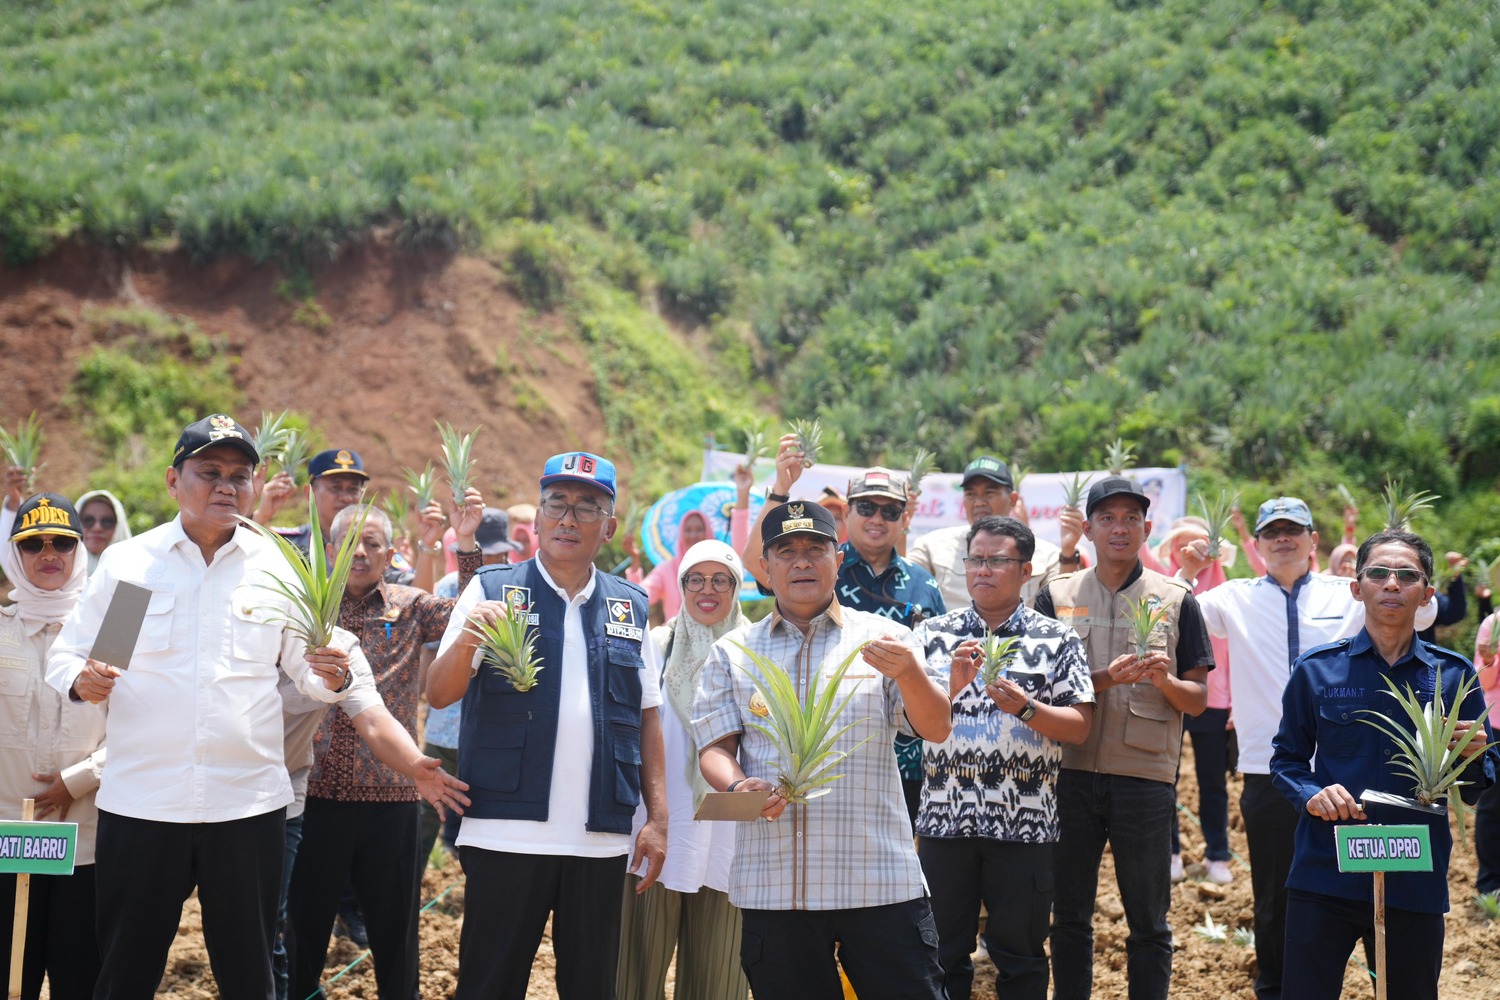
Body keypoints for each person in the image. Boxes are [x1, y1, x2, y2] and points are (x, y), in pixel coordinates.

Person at [45, 414, 463, 1000]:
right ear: (173, 480)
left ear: (255, 484)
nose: (225, 486)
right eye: (208, 472)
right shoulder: (136, 567)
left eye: (239, 475)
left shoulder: (275, 570)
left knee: (251, 975)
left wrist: (330, 675)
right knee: (126, 972)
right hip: (144, 805)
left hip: (246, 809)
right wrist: (83, 680)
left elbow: (310, 675)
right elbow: (82, 658)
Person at [428, 451, 668, 1000]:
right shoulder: (490, 590)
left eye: (587, 508)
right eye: (556, 504)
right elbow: (439, 693)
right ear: (535, 519)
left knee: (590, 988)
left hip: (600, 838)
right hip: (504, 829)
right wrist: (470, 636)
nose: (568, 519)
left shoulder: (629, 607)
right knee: (490, 983)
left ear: (607, 528)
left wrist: (658, 818)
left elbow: (647, 717)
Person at [692, 501, 953, 999]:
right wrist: (736, 785)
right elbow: (715, 747)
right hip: (775, 883)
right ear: (765, 568)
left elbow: (935, 728)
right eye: (786, 551)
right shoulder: (735, 652)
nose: (802, 562)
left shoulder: (886, 639)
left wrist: (910, 673)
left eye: (816, 549)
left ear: (839, 557)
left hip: (877, 880)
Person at [1186, 496, 1438, 1000]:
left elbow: (1421, 616)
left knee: (1379, 897)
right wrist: (1190, 572)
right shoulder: (1233, 597)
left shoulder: (1349, 592)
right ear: (1257, 543)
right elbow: (1178, 616)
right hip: (1271, 770)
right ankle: (1277, 987)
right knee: (1279, 898)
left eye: (1294, 529)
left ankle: (1385, 981)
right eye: (1272, 531)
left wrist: (1399, 567)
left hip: (1355, 774)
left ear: (1312, 540)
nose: (1283, 538)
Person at [1270, 529, 1496, 1000]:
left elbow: (1477, 786)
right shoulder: (1316, 669)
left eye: (1407, 575)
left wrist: (1474, 755)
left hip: (1413, 876)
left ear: (1427, 594)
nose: (1391, 584)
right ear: (1357, 588)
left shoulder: (1453, 676)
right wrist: (1312, 794)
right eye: (1378, 573)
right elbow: (1287, 759)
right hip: (1325, 871)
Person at [286, 498, 479, 1000]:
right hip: (317, 795)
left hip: (392, 795)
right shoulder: (308, 613)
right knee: (304, 923)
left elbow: (470, 614)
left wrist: (465, 544)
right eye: (350, 543)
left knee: (396, 930)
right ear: (329, 550)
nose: (361, 554)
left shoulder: (409, 606)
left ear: (390, 552)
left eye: (372, 543)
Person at [1034, 476, 1214, 1000]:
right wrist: (1108, 677)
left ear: (1147, 529)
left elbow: (1198, 699)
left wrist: (1164, 680)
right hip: (1067, 776)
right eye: (1107, 518)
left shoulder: (1176, 599)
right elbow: (1040, 690)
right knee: (1068, 916)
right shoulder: (1057, 595)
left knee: (1149, 923)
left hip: (1145, 781)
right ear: (1087, 528)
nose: (1119, 528)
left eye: (1131, 518)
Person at [914, 515, 1094, 1000]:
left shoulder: (1058, 640)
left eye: (998, 561)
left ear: (1027, 570)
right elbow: (910, 721)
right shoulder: (932, 635)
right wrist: (949, 686)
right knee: (941, 955)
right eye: (976, 559)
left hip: (1024, 824)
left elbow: (1080, 727)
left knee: (1021, 957)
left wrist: (1027, 708)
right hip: (944, 824)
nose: (983, 570)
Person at [617, 539, 750, 1000]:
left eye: (720, 580)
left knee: (721, 972)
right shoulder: (655, 647)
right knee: (636, 965)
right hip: (659, 825)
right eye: (696, 579)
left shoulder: (757, 651)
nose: (707, 590)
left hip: (733, 831)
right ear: (681, 584)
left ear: (737, 587)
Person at [0, 494, 106, 999]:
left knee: (79, 979)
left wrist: (77, 780)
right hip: (6, 841)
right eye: (33, 544)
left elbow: (143, 729)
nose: (49, 553)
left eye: (62, 542)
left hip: (85, 840)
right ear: (12, 553)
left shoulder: (118, 624)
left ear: (80, 550)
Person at [835, 468, 946, 828]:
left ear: (905, 519)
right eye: (866, 507)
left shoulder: (923, 584)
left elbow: (938, 672)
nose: (877, 519)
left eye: (890, 511)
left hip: (907, 757)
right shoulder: (820, 571)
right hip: (829, 749)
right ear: (846, 512)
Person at [418, 506, 519, 867]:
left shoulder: (515, 593)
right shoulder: (448, 589)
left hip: (494, 731)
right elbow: (429, 653)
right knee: (429, 814)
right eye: (486, 551)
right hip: (446, 729)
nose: (493, 559)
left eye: (499, 552)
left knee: (480, 816)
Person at [1145, 517, 1235, 886]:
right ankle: (1171, 854)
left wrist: (1236, 703)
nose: (1194, 550)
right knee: (1166, 779)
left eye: (1201, 545)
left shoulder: (1227, 591)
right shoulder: (1161, 583)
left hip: (1214, 701)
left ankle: (1218, 855)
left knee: (1213, 781)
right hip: (1167, 695)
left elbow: (1234, 653)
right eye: (1185, 544)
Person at [908, 455, 1064, 611]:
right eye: (971, 494)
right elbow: (904, 587)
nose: (979, 502)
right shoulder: (932, 546)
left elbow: (1061, 609)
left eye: (989, 493)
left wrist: (1069, 554)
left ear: (1012, 499)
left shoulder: (1049, 556)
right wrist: (902, 525)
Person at [626, 509, 711, 621]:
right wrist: (635, 559)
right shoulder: (667, 569)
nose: (693, 535)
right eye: (688, 530)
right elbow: (639, 597)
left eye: (699, 529)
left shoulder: (718, 570)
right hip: (674, 636)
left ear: (708, 533)